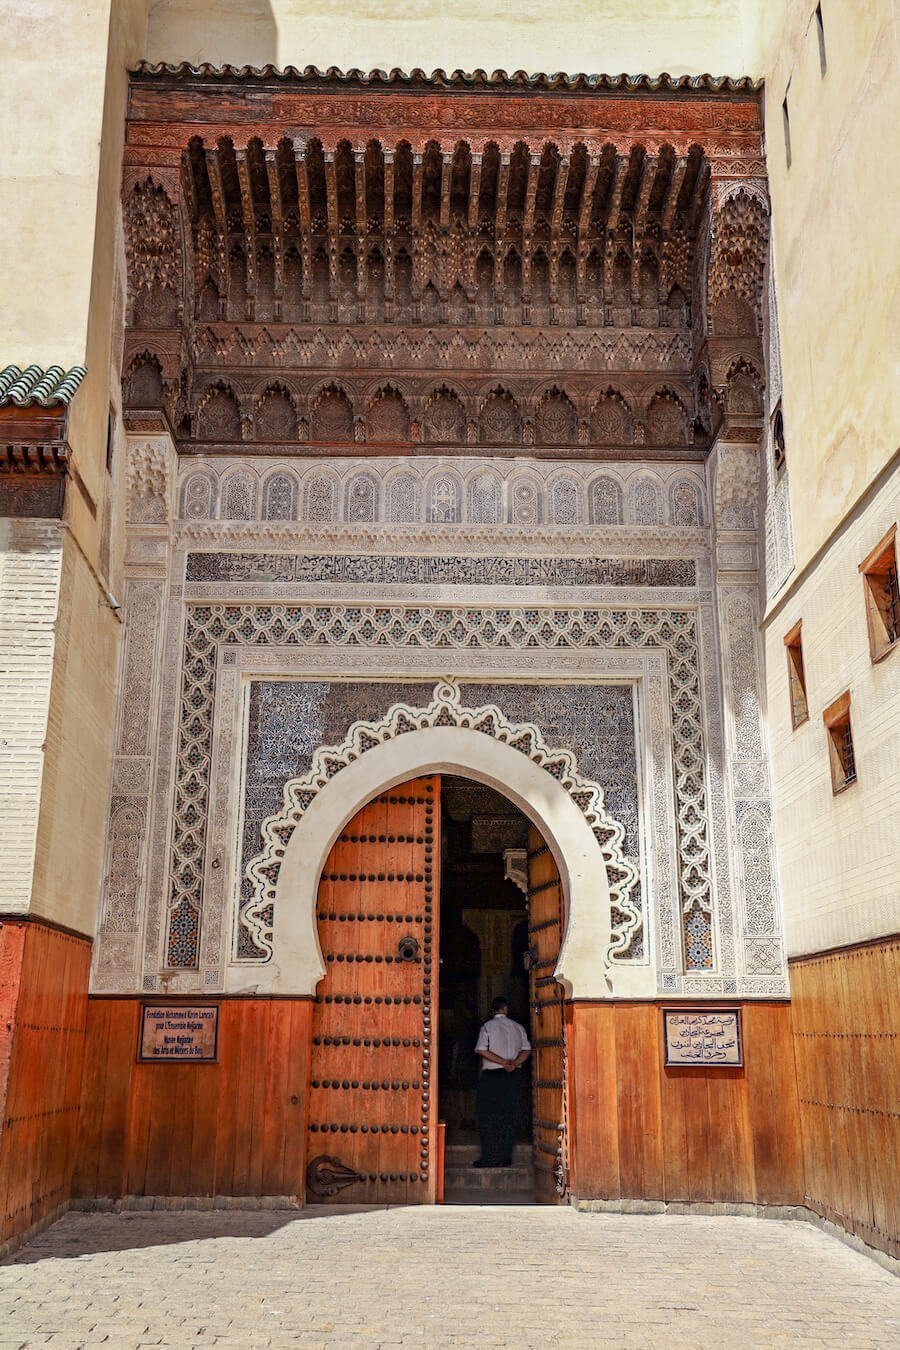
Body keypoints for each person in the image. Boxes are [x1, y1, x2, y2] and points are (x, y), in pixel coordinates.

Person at [472, 996, 531, 1168]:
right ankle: (505, 1158)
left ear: (493, 1010)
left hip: (492, 1078)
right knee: (508, 1117)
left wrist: (502, 1062)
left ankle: (489, 1158)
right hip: (512, 1077)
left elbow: (482, 1050)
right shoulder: (518, 1027)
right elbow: (527, 1050)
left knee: (488, 1117)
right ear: (505, 1009)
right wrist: (513, 1063)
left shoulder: (487, 1026)